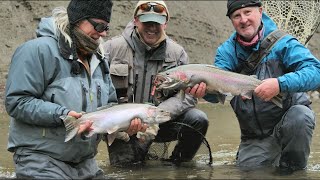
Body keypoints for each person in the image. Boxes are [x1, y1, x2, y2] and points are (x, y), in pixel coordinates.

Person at [4, 0, 123, 178]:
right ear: (77, 19)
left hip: (85, 163)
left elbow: (110, 104)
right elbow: (17, 102)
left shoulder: (99, 58)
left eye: (106, 27)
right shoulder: (36, 50)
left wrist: (124, 124)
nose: (103, 33)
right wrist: (63, 115)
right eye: (99, 26)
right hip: (41, 160)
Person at [204, 0, 320, 175]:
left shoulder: (284, 43)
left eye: (248, 12)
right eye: (237, 15)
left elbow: (316, 72)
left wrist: (279, 84)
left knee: (301, 116)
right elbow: (218, 94)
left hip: (290, 125)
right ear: (232, 20)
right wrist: (205, 92)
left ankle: (294, 171)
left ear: (260, 11)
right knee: (250, 173)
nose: (243, 20)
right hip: (254, 137)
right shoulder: (226, 53)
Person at [103, 0, 209, 166]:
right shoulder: (111, 48)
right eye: (147, 22)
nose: (152, 27)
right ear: (135, 20)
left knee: (198, 119)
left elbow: (187, 97)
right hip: (122, 127)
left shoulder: (177, 54)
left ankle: (178, 165)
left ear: (165, 24)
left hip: (161, 122)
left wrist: (155, 115)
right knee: (126, 172)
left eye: (157, 23)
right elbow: (96, 88)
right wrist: (121, 122)